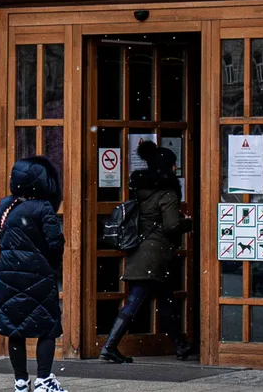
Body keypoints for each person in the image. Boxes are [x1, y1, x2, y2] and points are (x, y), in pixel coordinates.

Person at [99, 140, 193, 364]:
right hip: (155, 255)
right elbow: (171, 225)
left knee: (166, 300)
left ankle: (180, 345)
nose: (175, 169)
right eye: (173, 165)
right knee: (137, 301)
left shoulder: (141, 190)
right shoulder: (167, 193)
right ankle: (109, 346)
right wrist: (187, 223)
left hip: (143, 251)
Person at [0, 157, 66, 392]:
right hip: (39, 273)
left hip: (8, 274)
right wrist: (50, 265)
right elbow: (55, 243)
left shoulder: (5, 205)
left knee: (15, 328)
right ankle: (44, 380)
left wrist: (12, 258)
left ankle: (21, 382)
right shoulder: (43, 207)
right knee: (47, 327)